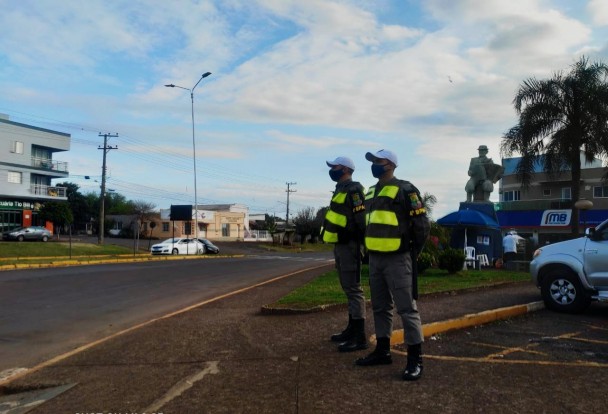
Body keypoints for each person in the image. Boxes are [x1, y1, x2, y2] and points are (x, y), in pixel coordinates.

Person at [355, 149, 430, 381]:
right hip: (376, 259)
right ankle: (382, 350)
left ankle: (415, 359)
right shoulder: (370, 192)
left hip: (398, 258)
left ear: (391, 164)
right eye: (373, 161)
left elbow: (422, 226)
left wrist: (412, 253)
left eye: (378, 161)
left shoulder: (406, 189)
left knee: (407, 309)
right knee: (379, 306)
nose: (374, 164)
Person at [321, 156, 368, 352]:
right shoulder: (340, 189)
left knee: (354, 289)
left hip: (350, 245)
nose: (332, 169)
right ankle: (351, 329)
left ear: (346, 169)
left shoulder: (354, 189)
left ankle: (359, 337)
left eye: (335, 166)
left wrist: (351, 236)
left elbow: (360, 219)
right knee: (347, 288)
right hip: (340, 245)